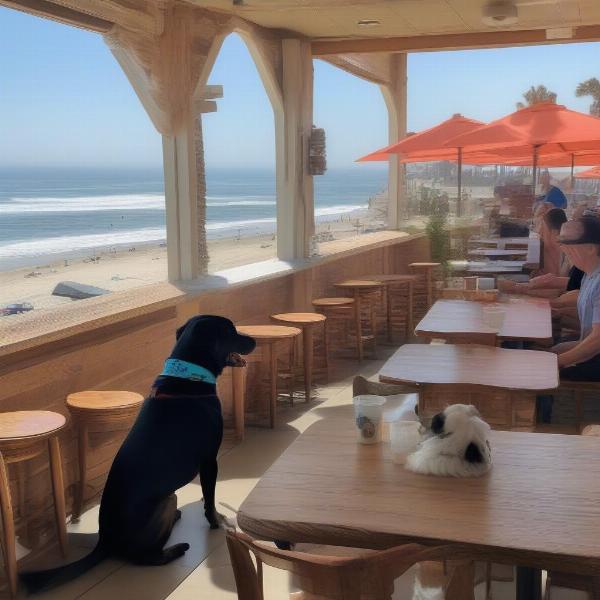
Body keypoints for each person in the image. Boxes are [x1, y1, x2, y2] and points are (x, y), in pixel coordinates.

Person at [552, 215, 600, 380]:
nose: (562, 247)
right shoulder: (590, 274)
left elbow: (597, 341)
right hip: (592, 352)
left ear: (591, 248)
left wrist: (556, 362)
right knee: (548, 352)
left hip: (596, 359)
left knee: (538, 369)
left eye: (566, 242)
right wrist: (558, 311)